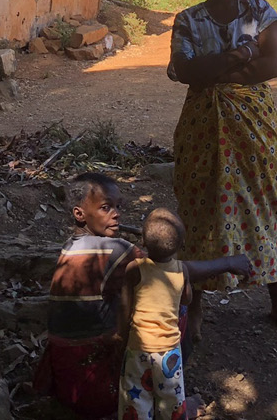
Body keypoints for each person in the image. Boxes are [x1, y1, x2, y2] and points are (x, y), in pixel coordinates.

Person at [169, 0, 277, 344]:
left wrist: (215, 71)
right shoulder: (188, 19)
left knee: (266, 201)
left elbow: (274, 64)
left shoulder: (258, 11)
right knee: (201, 204)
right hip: (203, 128)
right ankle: (196, 306)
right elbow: (185, 71)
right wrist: (240, 56)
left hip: (254, 127)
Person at [36, 174, 245, 419]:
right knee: (174, 305)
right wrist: (228, 263)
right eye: (106, 208)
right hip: (97, 390)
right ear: (79, 214)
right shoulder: (115, 250)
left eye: (118, 206)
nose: (116, 214)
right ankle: (168, 400)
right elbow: (171, 269)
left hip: (67, 384)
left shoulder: (70, 247)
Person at [118, 208, 245, 420]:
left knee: (136, 399)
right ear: (181, 245)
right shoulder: (181, 270)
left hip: (138, 347)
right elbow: (187, 299)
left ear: (143, 241)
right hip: (169, 351)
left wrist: (120, 336)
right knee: (172, 400)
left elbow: (124, 306)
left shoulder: (134, 268)